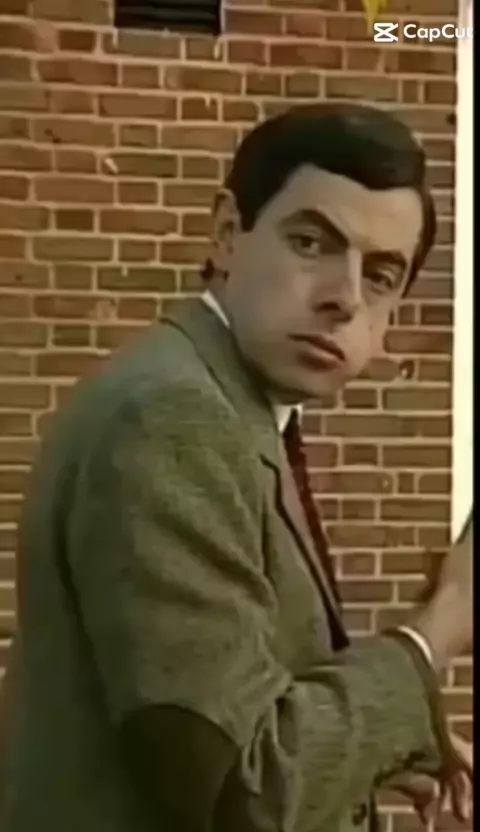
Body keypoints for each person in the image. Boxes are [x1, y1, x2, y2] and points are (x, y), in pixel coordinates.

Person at [0, 103, 473, 832]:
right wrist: (442, 622)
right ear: (226, 234)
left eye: (381, 274)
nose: (345, 298)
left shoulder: (231, 403)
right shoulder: (172, 418)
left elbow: (230, 704)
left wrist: (379, 745)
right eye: (311, 242)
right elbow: (242, 790)